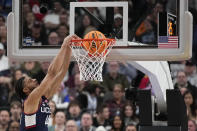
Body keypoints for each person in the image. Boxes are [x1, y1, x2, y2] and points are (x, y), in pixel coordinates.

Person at [15, 35, 79, 130]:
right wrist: (64, 44)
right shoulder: (30, 99)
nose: (34, 80)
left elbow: (61, 73)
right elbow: (51, 74)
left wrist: (68, 50)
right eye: (30, 81)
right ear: (25, 89)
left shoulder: (42, 97)